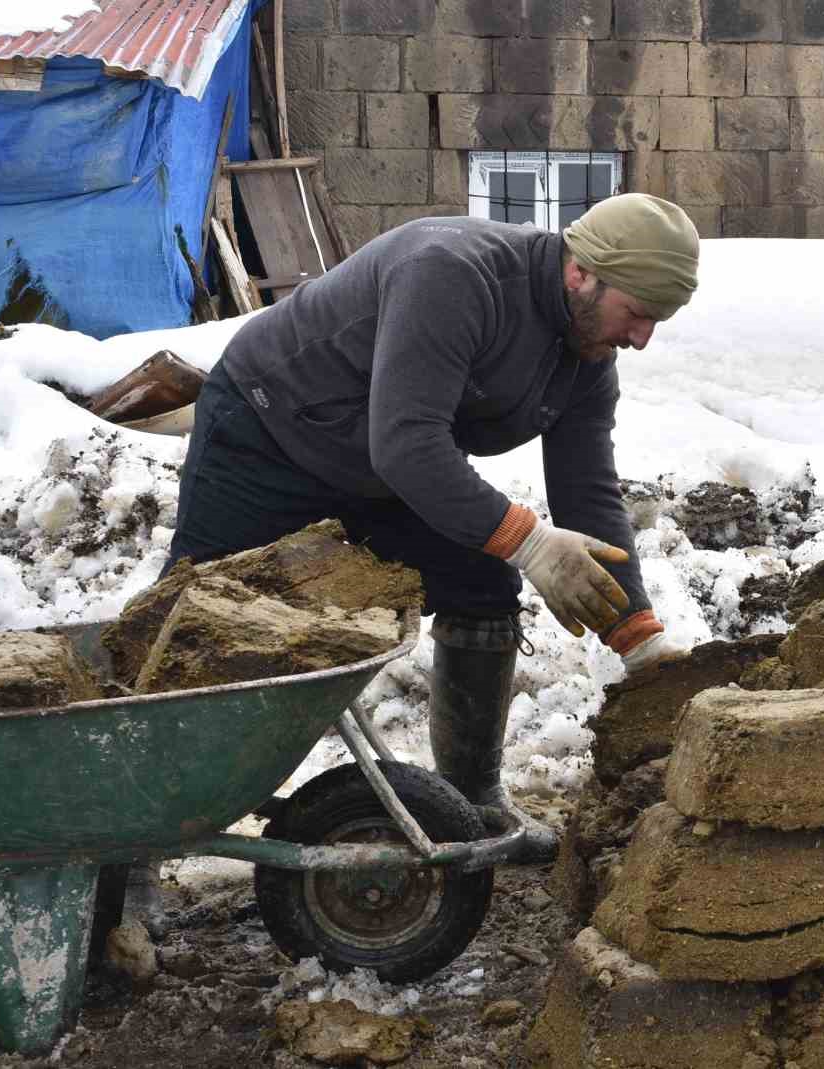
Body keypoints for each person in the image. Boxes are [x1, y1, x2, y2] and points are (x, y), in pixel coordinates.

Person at [125, 193, 698, 930]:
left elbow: (588, 495)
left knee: (483, 582)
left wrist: (641, 640)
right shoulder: (452, 275)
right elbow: (408, 443)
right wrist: (529, 541)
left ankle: (471, 801)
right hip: (267, 436)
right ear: (581, 272)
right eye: (639, 311)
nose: (644, 337)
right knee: (193, 633)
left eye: (659, 321)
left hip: (376, 471)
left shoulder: (585, 356)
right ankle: (129, 852)